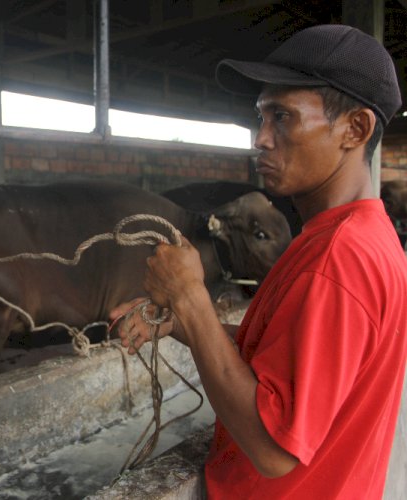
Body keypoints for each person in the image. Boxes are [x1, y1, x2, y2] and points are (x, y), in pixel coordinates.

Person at [110, 24, 407, 499]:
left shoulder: (337, 261)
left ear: (356, 129)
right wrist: (183, 325)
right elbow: (293, 360)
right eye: (260, 118)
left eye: (282, 117)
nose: (261, 139)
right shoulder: (359, 237)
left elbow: (272, 449)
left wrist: (190, 296)